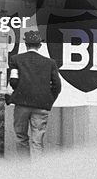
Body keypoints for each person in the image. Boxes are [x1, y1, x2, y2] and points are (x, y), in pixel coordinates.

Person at [8, 29, 62, 157]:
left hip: (21, 104)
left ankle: (24, 170)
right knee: (37, 140)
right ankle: (37, 172)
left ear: (26, 44)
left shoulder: (16, 59)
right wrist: (48, 100)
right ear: (40, 45)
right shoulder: (50, 63)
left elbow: (13, 82)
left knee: (21, 137)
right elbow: (57, 86)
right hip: (41, 106)